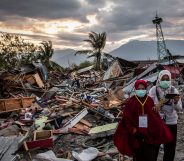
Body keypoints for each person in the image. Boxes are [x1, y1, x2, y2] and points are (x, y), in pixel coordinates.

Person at [113, 79, 173, 161]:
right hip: (136, 136)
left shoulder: (149, 100)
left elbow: (154, 117)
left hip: (149, 136)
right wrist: (134, 131)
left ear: (145, 89)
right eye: (138, 89)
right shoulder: (131, 102)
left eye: (143, 88)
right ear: (135, 89)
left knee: (150, 156)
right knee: (138, 157)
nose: (141, 90)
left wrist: (155, 131)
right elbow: (127, 119)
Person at [149, 70, 182, 161]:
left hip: (171, 121)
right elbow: (149, 106)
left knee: (170, 146)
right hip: (157, 122)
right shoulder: (153, 90)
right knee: (155, 145)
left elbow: (179, 108)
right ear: (159, 79)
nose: (165, 81)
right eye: (163, 79)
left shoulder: (173, 90)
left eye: (167, 79)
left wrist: (175, 102)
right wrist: (155, 107)